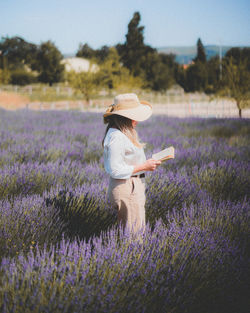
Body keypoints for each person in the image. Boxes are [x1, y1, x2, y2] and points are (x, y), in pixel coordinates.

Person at [102, 93, 161, 233]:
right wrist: (144, 166)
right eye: (134, 115)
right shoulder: (117, 136)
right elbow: (115, 169)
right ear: (124, 117)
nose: (137, 120)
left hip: (131, 186)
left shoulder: (123, 133)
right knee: (134, 238)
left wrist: (146, 164)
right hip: (127, 187)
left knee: (134, 234)